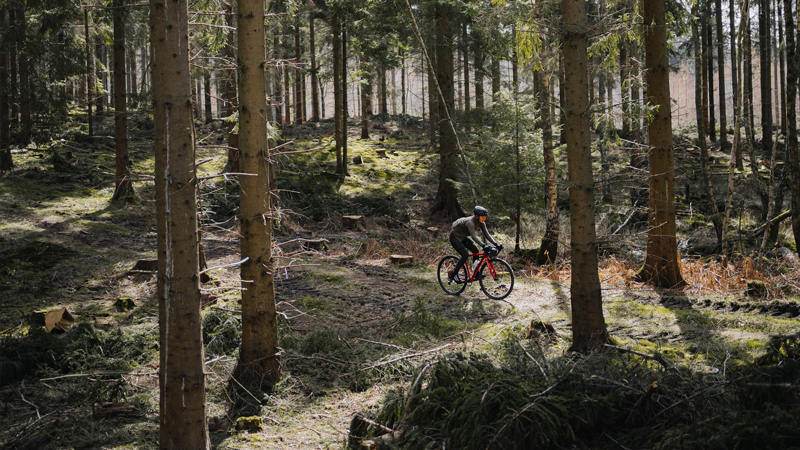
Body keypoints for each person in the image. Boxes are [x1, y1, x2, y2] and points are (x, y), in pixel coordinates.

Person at [448, 206, 503, 283]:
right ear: (477, 216)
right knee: (465, 255)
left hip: (463, 237)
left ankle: (476, 274)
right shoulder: (470, 222)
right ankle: (454, 274)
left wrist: (496, 244)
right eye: (482, 217)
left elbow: (487, 235)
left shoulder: (481, 223)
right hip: (455, 237)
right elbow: (474, 236)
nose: (484, 219)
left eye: (485, 217)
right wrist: (483, 245)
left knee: (475, 251)